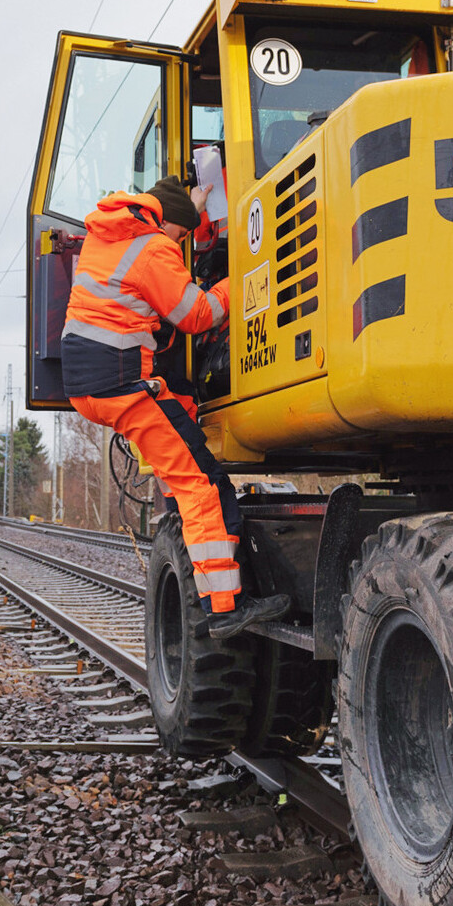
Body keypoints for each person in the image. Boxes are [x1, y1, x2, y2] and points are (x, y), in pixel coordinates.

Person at [61, 175, 289, 639]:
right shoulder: (152, 247)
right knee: (202, 486)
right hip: (123, 384)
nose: (182, 244)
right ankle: (226, 608)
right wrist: (233, 285)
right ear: (167, 224)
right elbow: (197, 315)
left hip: (89, 386)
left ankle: (215, 592)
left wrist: (196, 206)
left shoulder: (110, 235)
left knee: (179, 416)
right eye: (182, 235)